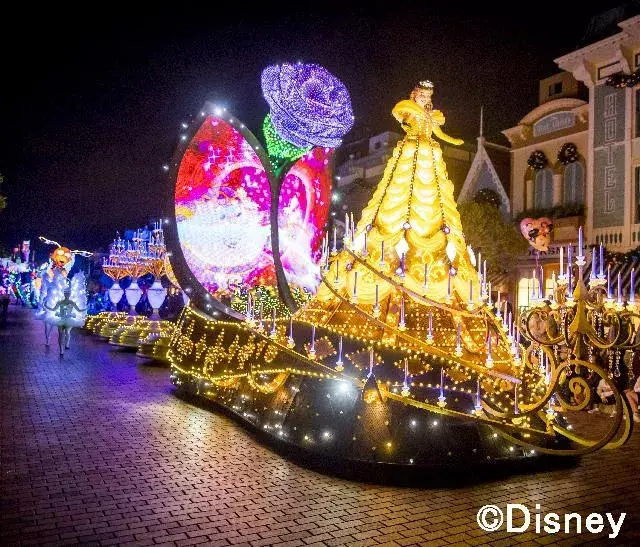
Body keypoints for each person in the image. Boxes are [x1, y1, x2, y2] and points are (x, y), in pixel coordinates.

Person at [44, 273, 87, 357]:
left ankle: (65, 346)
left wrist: (84, 309)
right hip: (61, 320)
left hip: (68, 320)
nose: (67, 295)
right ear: (64, 294)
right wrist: (46, 306)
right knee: (60, 335)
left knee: (67, 333)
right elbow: (53, 309)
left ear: (69, 294)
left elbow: (79, 309)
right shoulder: (60, 302)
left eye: (68, 294)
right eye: (66, 294)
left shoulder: (72, 303)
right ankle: (61, 350)